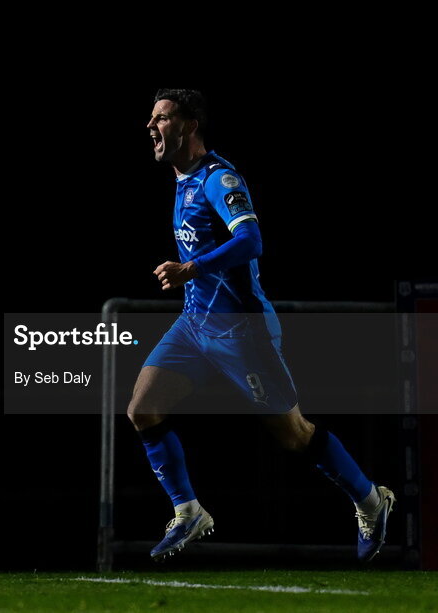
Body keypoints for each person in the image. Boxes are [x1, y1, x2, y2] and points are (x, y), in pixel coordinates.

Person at [132, 88, 394, 562]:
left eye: (162, 118)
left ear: (190, 124)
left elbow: (251, 241)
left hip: (242, 331)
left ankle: (371, 500)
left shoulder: (218, 177)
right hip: (194, 325)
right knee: (142, 409)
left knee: (293, 433)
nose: (152, 126)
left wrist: (191, 269)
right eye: (152, 118)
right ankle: (188, 510)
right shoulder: (182, 179)